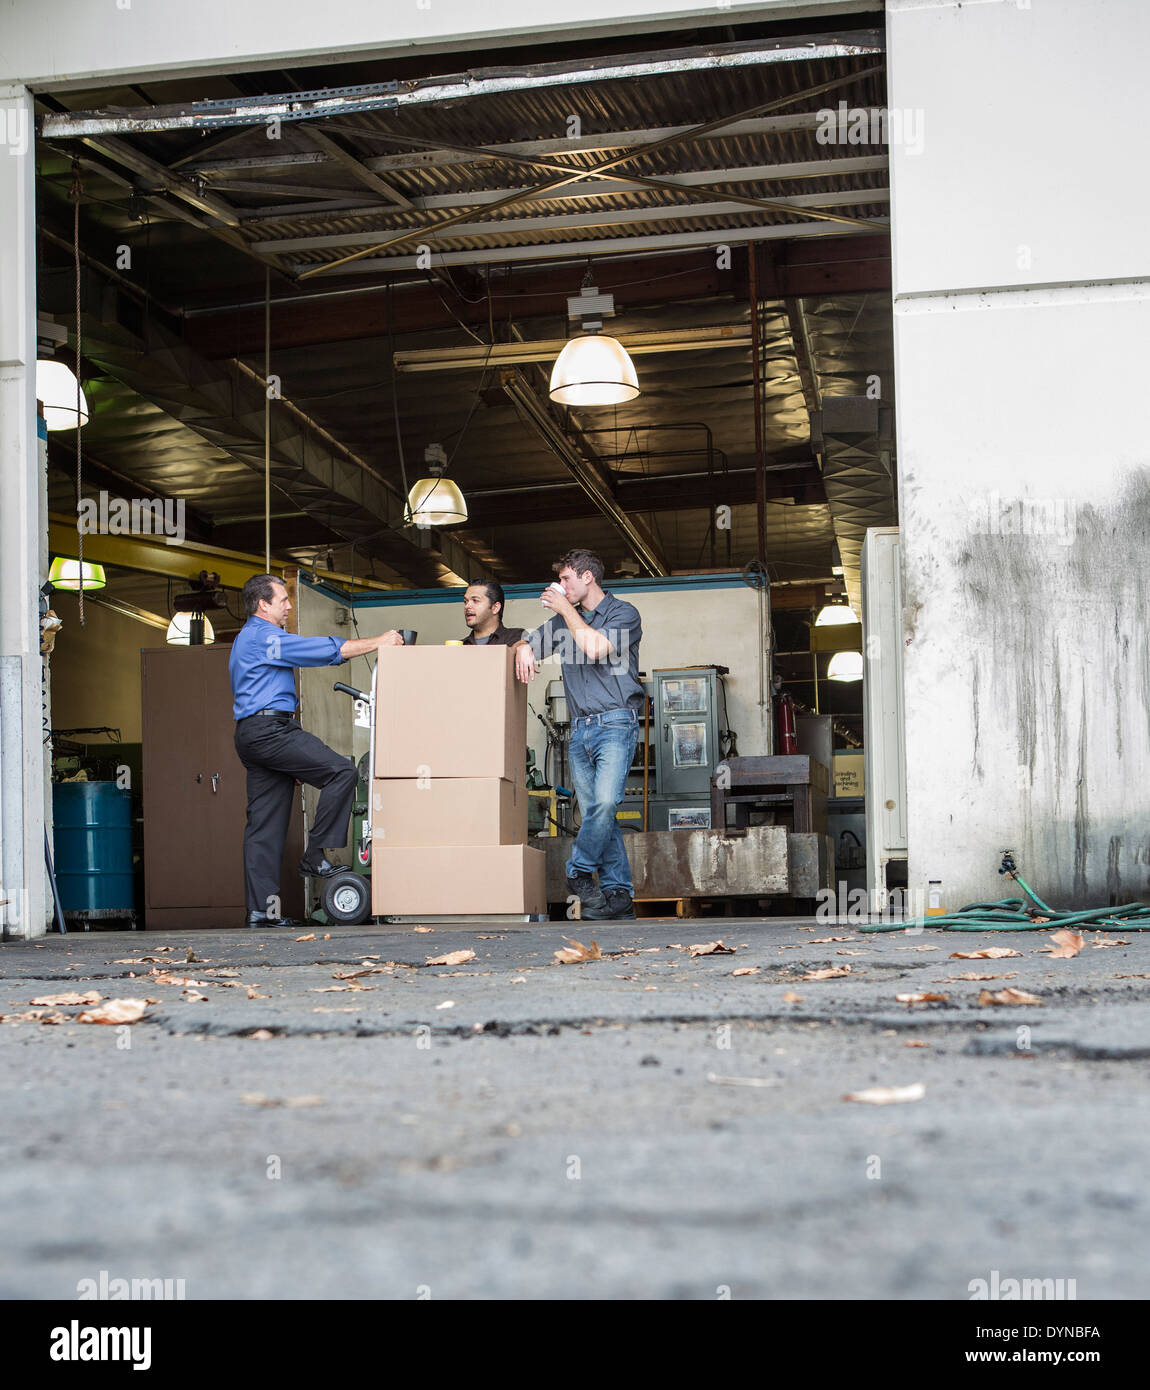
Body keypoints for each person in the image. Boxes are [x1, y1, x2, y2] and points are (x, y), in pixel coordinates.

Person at [229, 574, 403, 929]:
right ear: (263, 604)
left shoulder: (247, 639)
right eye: (283, 601)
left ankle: (261, 912)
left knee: (264, 828)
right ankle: (314, 856)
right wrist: (379, 642)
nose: (289, 606)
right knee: (342, 771)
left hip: (255, 733)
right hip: (269, 730)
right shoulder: (264, 638)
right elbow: (319, 650)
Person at [512, 549, 643, 921]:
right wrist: (523, 647)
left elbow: (596, 647)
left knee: (604, 805)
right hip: (580, 728)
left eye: (566, 579)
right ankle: (618, 894)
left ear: (588, 578)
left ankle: (579, 870)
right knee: (600, 816)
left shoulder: (623, 614)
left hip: (616, 723)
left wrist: (564, 610)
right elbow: (527, 643)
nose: (560, 586)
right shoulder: (561, 623)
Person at [461, 580, 526, 646]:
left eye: (475, 600)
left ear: (495, 608)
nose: (467, 606)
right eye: (465, 601)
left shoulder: (518, 638)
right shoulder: (459, 646)